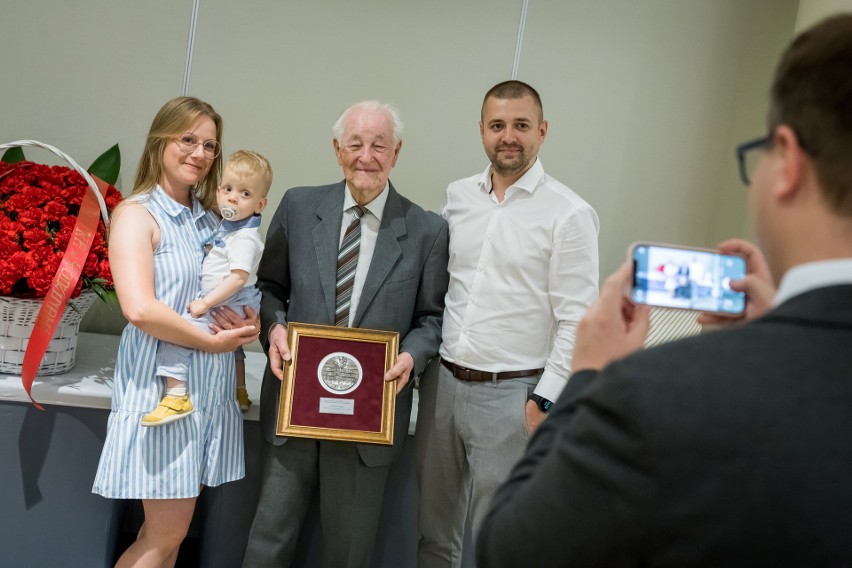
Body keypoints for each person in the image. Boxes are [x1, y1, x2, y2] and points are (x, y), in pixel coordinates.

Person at [478, 13, 852, 566]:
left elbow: (511, 546)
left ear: (788, 164)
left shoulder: (656, 394)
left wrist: (585, 380)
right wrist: (779, 333)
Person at [242, 100, 449, 567]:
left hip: (369, 421)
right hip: (293, 406)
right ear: (337, 150)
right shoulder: (298, 206)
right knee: (267, 544)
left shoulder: (426, 231)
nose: (366, 155)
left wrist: (413, 356)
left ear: (397, 152)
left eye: (379, 145)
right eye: (355, 143)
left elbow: (432, 319)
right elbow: (268, 288)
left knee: (349, 554)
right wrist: (273, 328)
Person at [416, 80, 600, 566]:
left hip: (512, 397)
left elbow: (579, 318)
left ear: (542, 131)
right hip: (443, 386)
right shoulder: (456, 197)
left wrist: (544, 399)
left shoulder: (570, 213)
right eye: (497, 125)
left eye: (521, 125)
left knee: (502, 544)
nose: (509, 136)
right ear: (481, 131)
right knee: (434, 536)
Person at [92, 96, 260, 567]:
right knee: (165, 537)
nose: (200, 153)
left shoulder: (209, 218)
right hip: (161, 395)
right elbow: (140, 308)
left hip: (205, 394)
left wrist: (248, 322)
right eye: (188, 139)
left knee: (163, 534)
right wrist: (209, 340)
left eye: (209, 144)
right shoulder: (137, 214)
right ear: (160, 140)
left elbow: (228, 288)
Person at [141, 149, 271, 426]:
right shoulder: (227, 227)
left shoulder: (244, 237)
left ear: (260, 204)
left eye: (245, 194)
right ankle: (239, 390)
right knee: (234, 351)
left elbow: (237, 277)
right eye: (228, 189)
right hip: (227, 299)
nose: (233, 197)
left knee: (176, 337)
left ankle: (176, 396)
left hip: (228, 299)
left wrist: (205, 304)